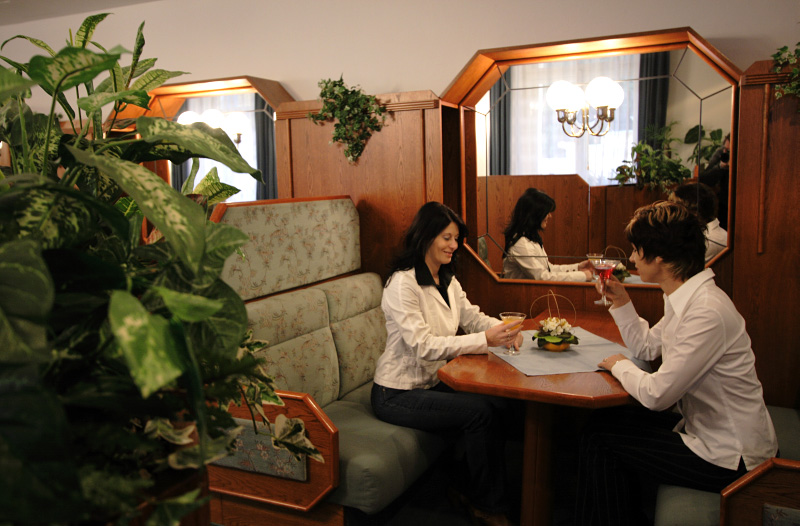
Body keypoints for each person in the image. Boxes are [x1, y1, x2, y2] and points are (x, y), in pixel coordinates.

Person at [574, 201, 777, 526]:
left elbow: (657, 395)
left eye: (637, 250)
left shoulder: (705, 311)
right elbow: (647, 347)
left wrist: (619, 365)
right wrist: (622, 301)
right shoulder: (685, 296)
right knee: (602, 422)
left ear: (660, 257)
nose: (632, 258)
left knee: (601, 442)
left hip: (733, 456)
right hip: (704, 431)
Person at [371, 201, 521, 526]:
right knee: (479, 414)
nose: (454, 245)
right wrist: (486, 341)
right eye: (447, 238)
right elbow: (423, 346)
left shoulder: (447, 279)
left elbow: (473, 317)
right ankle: (488, 506)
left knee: (499, 403)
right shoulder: (403, 284)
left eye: (456, 239)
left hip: (434, 382)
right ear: (426, 236)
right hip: (396, 392)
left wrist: (504, 330)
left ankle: (466, 486)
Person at [502, 188, 593, 281]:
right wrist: (583, 276)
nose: (550, 216)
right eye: (546, 213)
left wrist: (578, 267)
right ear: (535, 214)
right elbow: (542, 277)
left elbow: (548, 269)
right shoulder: (521, 244)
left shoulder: (531, 239)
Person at [669, 181, 728, 263]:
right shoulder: (693, 233)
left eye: (674, 209)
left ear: (694, 213)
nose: (670, 213)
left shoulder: (709, 241)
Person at [699, 133, 731, 230]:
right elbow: (704, 180)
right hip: (725, 203)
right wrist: (720, 167)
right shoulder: (722, 154)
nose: (726, 152)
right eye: (726, 149)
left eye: (730, 151)